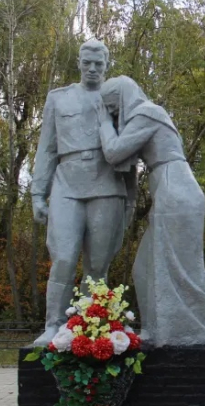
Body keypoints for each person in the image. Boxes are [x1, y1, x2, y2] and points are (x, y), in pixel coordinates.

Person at [97, 76, 205, 347]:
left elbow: (115, 152)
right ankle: (156, 328)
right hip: (170, 190)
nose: (114, 115)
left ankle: (186, 331)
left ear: (122, 99)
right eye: (110, 112)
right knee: (143, 269)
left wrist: (103, 122)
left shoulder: (147, 113)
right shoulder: (148, 115)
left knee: (180, 268)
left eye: (113, 109)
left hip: (175, 190)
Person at [30, 40, 135, 346]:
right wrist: (38, 193)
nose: (92, 69)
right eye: (87, 62)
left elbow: (131, 149)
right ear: (78, 62)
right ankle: (54, 325)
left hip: (107, 184)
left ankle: (92, 328)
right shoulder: (58, 98)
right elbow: (46, 149)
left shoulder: (117, 100)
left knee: (98, 266)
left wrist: (130, 200)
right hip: (67, 184)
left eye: (98, 64)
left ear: (106, 65)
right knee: (63, 258)